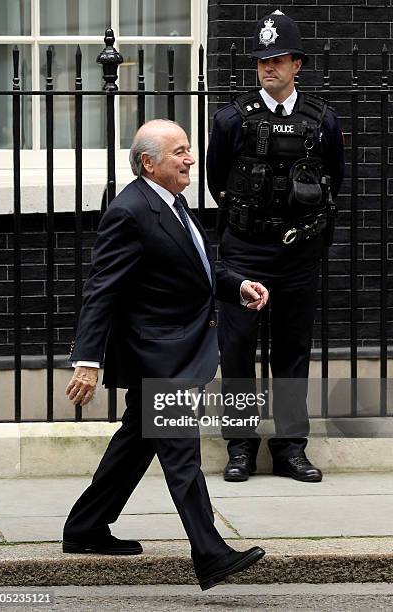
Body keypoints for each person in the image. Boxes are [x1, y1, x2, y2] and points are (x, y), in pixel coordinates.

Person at [62, 119, 269, 591]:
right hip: (158, 356)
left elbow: (198, 268)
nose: (190, 158)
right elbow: (101, 290)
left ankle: (85, 526)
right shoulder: (131, 211)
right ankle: (211, 553)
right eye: (179, 151)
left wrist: (237, 285)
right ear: (148, 163)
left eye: (189, 149)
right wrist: (88, 360)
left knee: (135, 442)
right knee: (181, 457)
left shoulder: (171, 205)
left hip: (174, 350)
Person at [207, 10, 344, 483]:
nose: (270, 67)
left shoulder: (322, 120)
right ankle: (241, 446)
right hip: (246, 250)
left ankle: (289, 448)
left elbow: (335, 179)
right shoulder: (232, 119)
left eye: (279, 59)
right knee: (239, 348)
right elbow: (216, 180)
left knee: (292, 351)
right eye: (263, 60)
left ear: (297, 64)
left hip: (298, 255)